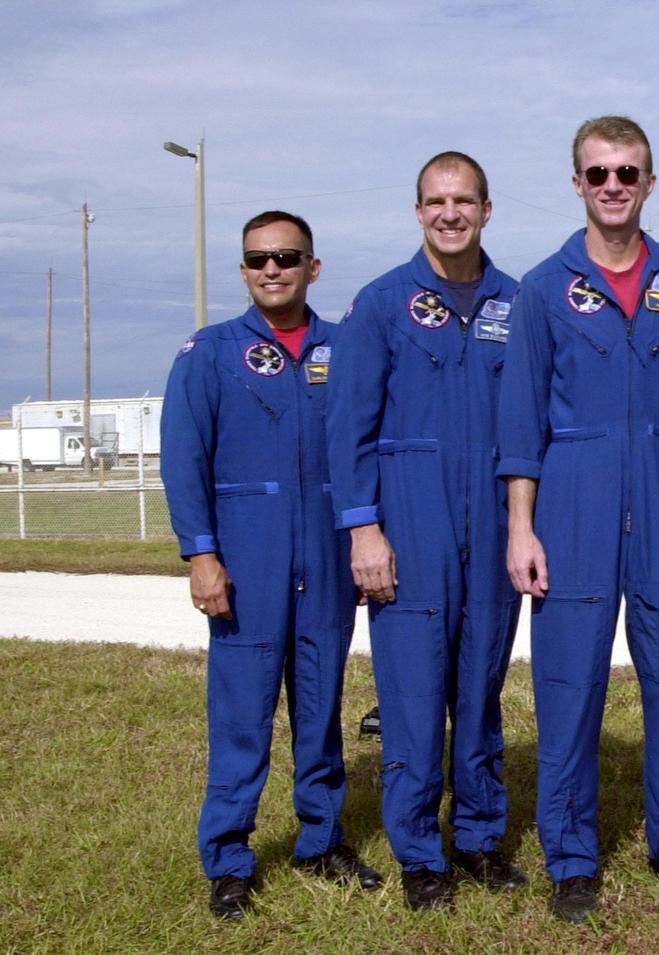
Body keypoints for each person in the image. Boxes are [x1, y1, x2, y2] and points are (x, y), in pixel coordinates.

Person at [497, 115, 659, 923]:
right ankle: (570, 855)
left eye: (627, 173)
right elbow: (520, 425)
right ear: (577, 184)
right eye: (598, 173)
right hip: (572, 501)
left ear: (649, 182)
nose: (613, 187)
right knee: (569, 684)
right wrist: (521, 528)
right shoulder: (541, 288)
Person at [161, 210, 382, 920]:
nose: (272, 269)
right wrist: (201, 553)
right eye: (258, 259)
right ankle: (228, 856)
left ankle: (321, 839)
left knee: (319, 708)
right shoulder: (210, 352)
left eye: (287, 257)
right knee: (242, 716)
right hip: (248, 562)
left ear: (312, 267)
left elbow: (369, 450)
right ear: (243, 269)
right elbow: (182, 460)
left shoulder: (346, 350)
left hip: (326, 559)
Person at [326, 152, 525, 911]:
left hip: (493, 524)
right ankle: (419, 854)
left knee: (479, 689)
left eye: (464, 200)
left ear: (486, 208)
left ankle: (476, 839)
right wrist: (363, 530)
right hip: (409, 525)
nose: (450, 213)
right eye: (436, 201)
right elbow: (348, 430)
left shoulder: (519, 302)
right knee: (412, 697)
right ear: (418, 212)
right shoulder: (381, 304)